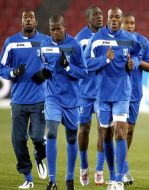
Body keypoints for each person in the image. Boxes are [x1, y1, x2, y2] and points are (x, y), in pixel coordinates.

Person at [84, 7, 141, 190]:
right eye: (111, 17)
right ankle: (111, 176)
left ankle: (118, 179)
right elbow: (86, 63)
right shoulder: (97, 38)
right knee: (107, 136)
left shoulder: (130, 39)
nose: (114, 20)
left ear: (122, 19)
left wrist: (135, 63)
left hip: (123, 94)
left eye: (117, 17)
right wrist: (104, 59)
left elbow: (139, 54)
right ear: (107, 19)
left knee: (120, 133)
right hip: (102, 95)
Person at [38, 15, 88, 190]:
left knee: (72, 138)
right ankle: (52, 181)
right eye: (52, 29)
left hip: (72, 100)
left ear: (64, 27)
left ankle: (69, 178)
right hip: (52, 98)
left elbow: (84, 72)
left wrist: (67, 66)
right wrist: (44, 73)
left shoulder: (74, 45)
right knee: (51, 133)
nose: (55, 32)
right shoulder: (44, 45)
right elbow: (44, 67)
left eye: (58, 28)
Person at [0, 10, 48, 189]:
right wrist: (13, 73)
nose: (28, 20)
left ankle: (39, 156)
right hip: (19, 100)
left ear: (36, 21)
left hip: (39, 100)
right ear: (21, 21)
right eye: (25, 18)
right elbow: (1, 67)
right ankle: (28, 178)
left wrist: (44, 74)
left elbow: (53, 64)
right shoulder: (11, 42)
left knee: (36, 137)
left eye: (31, 17)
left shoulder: (44, 41)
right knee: (18, 140)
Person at [121, 13, 149, 185]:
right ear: (121, 24)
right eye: (126, 22)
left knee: (130, 130)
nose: (129, 25)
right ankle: (123, 169)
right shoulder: (115, 42)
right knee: (122, 129)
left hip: (134, 94)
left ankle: (121, 162)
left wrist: (138, 62)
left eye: (132, 23)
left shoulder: (143, 42)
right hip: (118, 94)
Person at [75, 5, 105, 186]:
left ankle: (100, 170)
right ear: (88, 18)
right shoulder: (80, 39)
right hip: (85, 93)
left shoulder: (107, 37)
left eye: (101, 14)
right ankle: (84, 166)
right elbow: (82, 65)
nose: (100, 17)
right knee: (84, 129)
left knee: (103, 130)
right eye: (96, 15)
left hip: (102, 92)